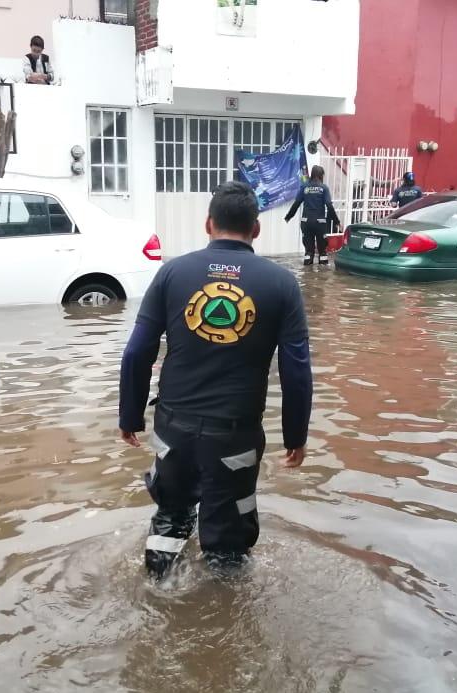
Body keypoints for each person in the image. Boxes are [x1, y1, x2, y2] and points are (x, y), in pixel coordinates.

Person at [119, 181, 313, 579]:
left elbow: (138, 351)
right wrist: (296, 435)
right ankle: (222, 624)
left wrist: (129, 415)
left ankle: (158, 590)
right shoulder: (281, 284)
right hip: (234, 435)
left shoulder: (172, 272)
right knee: (229, 538)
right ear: (256, 229)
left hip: (173, 427)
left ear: (208, 224)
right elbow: (296, 370)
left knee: (171, 515)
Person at [285, 165, 341, 266]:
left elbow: (296, 203)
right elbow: (329, 206)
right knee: (322, 251)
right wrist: (336, 222)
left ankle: (306, 277)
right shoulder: (324, 188)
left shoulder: (305, 187)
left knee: (308, 251)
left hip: (306, 222)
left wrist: (288, 216)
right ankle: (322, 277)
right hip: (320, 223)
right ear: (321, 175)